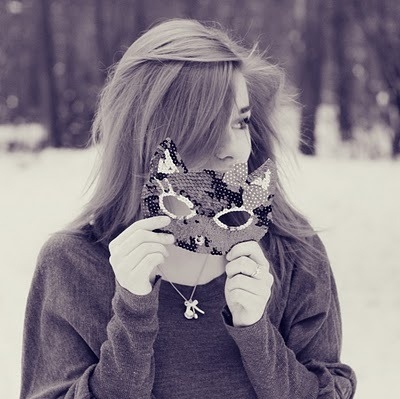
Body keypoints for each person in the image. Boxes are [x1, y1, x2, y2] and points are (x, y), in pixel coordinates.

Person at [20, 18, 356, 399]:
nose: (233, 148)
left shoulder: (294, 253)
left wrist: (256, 332)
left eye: (241, 122)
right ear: (146, 134)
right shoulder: (72, 264)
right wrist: (133, 314)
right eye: (210, 126)